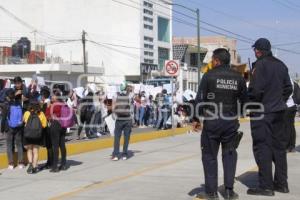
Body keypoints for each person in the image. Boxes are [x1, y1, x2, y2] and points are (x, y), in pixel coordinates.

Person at [194, 48, 247, 200]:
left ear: (216, 60)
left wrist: (196, 119)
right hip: (230, 122)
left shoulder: (209, 75)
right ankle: (229, 191)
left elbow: (200, 99)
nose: (212, 62)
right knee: (229, 155)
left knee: (209, 156)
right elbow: (245, 101)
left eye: (212, 59)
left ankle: (211, 193)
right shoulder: (238, 77)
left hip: (212, 122)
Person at [247, 38, 293, 196]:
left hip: (262, 113)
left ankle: (266, 186)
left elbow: (255, 90)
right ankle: (281, 184)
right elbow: (288, 87)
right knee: (279, 149)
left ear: (258, 51)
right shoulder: (281, 65)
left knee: (262, 148)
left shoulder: (259, 65)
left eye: (255, 50)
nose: (254, 52)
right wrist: (278, 100)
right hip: (279, 111)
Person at [46, 91, 67, 172]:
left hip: (55, 125)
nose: (51, 97)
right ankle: (63, 164)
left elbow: (47, 115)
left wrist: (48, 106)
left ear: (57, 97)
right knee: (62, 145)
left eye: (53, 96)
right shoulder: (64, 104)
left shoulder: (53, 105)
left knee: (55, 146)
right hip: (63, 125)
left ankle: (55, 166)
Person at [23, 102, 47, 174]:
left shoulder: (27, 113)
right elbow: (45, 125)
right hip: (37, 135)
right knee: (35, 151)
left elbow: (24, 121)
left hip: (28, 135)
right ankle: (34, 167)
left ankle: (30, 164)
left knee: (29, 150)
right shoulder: (41, 113)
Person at [6, 89, 25, 170]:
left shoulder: (7, 104)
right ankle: (21, 163)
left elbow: (4, 117)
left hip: (10, 127)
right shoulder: (20, 104)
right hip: (19, 127)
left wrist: (2, 128)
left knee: (9, 145)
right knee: (19, 145)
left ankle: (11, 164)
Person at [111, 86, 132, 161]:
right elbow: (131, 107)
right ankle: (124, 155)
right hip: (128, 118)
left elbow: (113, 107)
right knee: (126, 138)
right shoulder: (129, 95)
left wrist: (114, 115)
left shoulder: (115, 95)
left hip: (119, 118)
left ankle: (116, 155)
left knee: (117, 137)